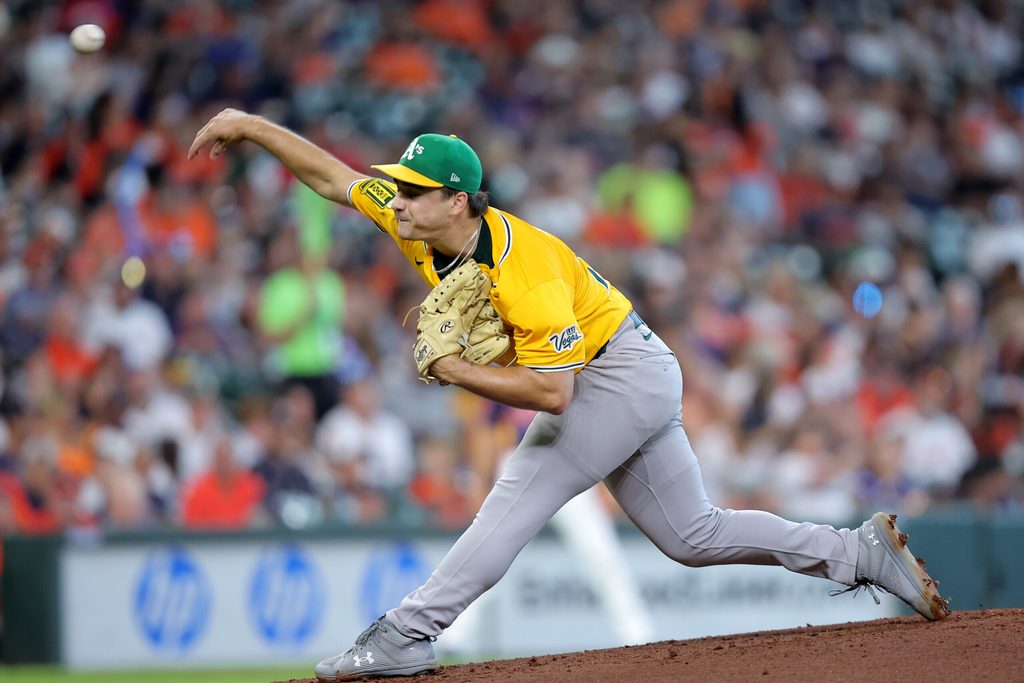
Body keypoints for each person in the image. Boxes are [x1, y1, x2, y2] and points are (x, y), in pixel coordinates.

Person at [189, 110, 949, 681]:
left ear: (459, 201)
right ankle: (858, 553)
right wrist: (251, 127)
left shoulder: (525, 268)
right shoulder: (415, 219)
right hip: (634, 363)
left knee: (520, 489)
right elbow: (331, 176)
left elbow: (554, 394)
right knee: (693, 535)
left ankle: (405, 632)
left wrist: (453, 370)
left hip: (614, 371)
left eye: (419, 193)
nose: (402, 200)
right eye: (404, 188)